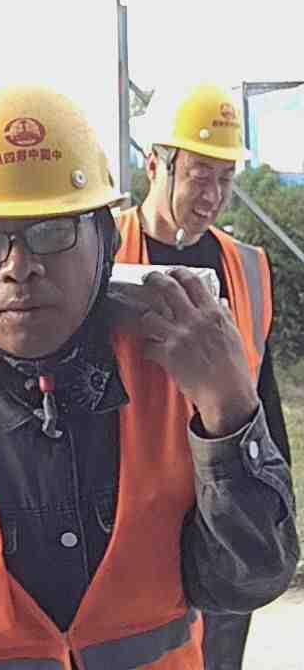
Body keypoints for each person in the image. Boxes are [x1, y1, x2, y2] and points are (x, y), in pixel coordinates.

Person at [0, 86, 299, 670]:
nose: (18, 267)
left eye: (51, 232)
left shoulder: (173, 387)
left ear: (103, 243)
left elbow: (247, 582)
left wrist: (230, 410)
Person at [116, 83, 293, 670]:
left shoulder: (249, 267)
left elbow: (260, 395)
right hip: (131, 517)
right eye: (199, 176)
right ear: (155, 165)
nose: (213, 195)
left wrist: (274, 507)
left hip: (224, 510)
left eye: (225, 178)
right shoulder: (100, 253)